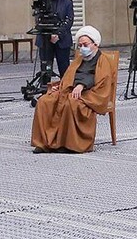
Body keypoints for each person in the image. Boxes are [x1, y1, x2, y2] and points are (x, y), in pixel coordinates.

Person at [30, 25, 115, 154]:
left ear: (95, 44)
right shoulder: (79, 59)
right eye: (80, 45)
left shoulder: (103, 60)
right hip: (70, 89)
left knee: (71, 103)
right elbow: (68, 76)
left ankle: (69, 144)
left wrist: (82, 85)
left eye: (85, 45)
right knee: (44, 101)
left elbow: (101, 80)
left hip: (90, 94)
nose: (82, 48)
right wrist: (60, 86)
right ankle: (44, 143)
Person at [33, 0, 75, 77]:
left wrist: (57, 34)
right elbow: (38, 18)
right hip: (44, 39)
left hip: (62, 39)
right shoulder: (41, 2)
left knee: (64, 67)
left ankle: (65, 84)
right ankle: (45, 84)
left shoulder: (67, 2)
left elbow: (69, 20)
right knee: (45, 68)